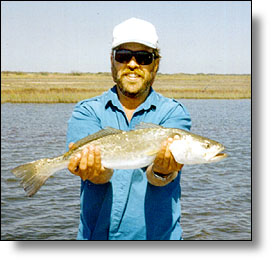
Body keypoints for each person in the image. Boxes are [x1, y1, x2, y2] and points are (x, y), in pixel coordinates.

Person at [66, 17, 191, 240]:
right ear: (112, 61)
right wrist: (95, 172)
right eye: (123, 56)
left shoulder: (174, 113)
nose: (132, 64)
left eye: (144, 57)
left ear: (156, 63)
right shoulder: (87, 111)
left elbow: (158, 176)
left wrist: (163, 170)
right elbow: (100, 175)